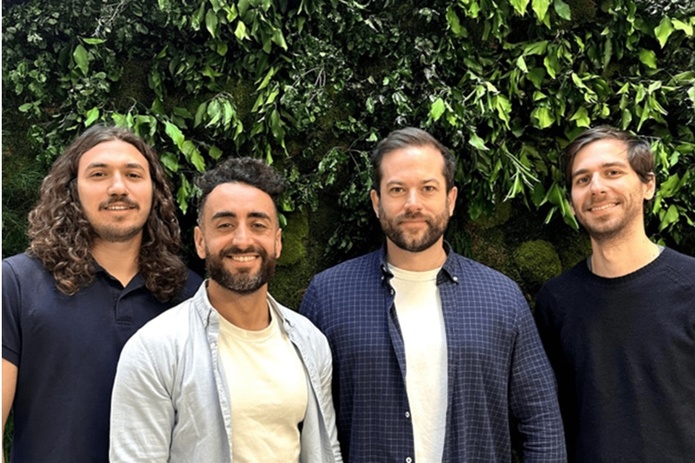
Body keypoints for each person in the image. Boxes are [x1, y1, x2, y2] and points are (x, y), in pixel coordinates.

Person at [300, 127, 566, 462]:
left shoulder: (502, 298)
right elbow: (304, 422)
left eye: (428, 188)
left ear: (450, 200)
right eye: (397, 189)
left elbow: (541, 420)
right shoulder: (329, 295)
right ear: (376, 202)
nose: (413, 204)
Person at [109, 157, 342, 462]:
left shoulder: (310, 342)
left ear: (277, 242)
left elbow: (326, 451)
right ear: (200, 241)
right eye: (225, 225)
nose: (242, 240)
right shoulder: (155, 349)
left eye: (257, 225)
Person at [1, 125, 201, 463]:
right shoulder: (17, 283)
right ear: (71, 189)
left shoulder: (190, 295)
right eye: (98, 174)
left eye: (133, 174)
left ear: (155, 192)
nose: (118, 187)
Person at [534, 125, 695, 462]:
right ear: (572, 201)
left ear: (648, 184)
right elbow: (549, 418)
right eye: (582, 179)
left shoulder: (691, 285)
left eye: (612, 172)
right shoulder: (555, 302)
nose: (597, 188)